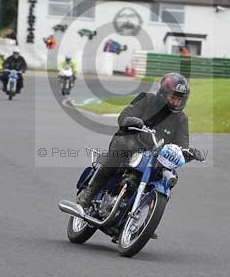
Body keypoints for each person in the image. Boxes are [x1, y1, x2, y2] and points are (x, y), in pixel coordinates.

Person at [76, 72, 204, 209]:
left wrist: (189, 153)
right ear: (163, 93)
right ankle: (89, 192)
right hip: (130, 142)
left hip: (154, 156)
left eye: (180, 99)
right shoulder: (146, 99)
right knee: (123, 150)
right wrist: (133, 121)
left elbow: (180, 147)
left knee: (170, 176)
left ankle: (144, 220)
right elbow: (124, 116)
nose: (176, 102)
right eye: (173, 97)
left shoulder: (181, 119)